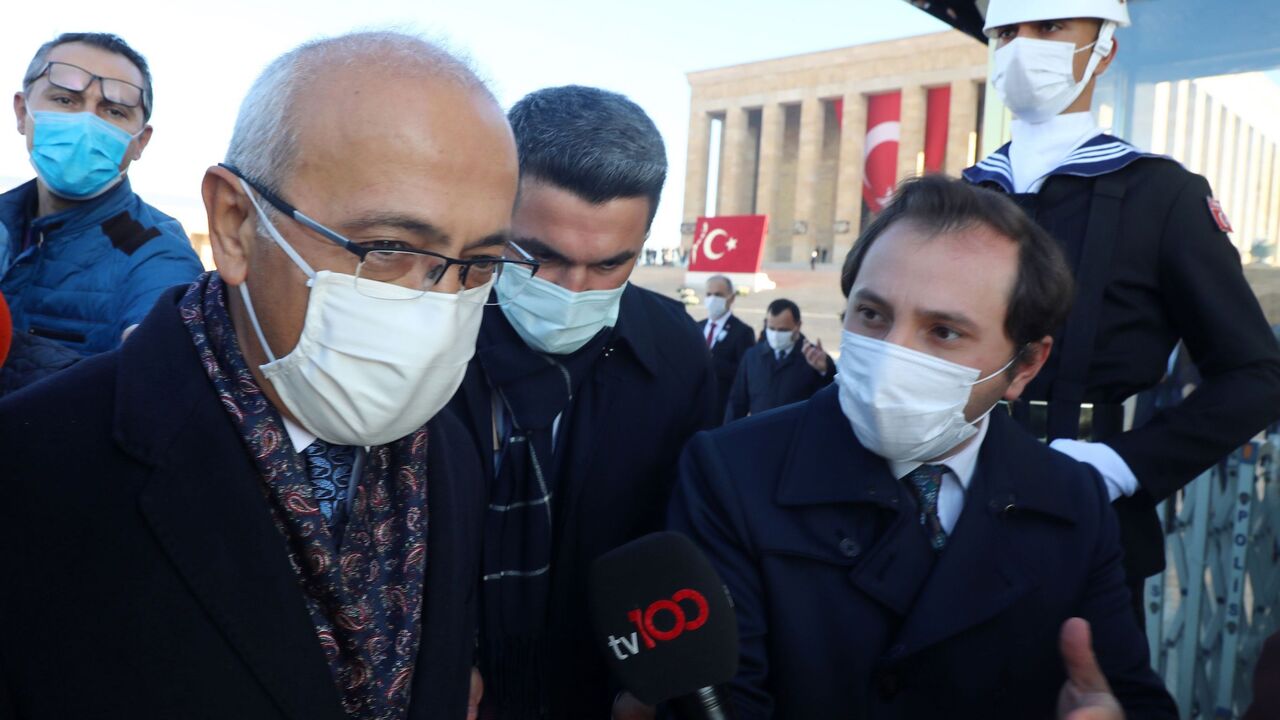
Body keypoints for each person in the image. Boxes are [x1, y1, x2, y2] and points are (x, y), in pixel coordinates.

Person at [0, 31, 523, 720]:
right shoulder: (33, 470)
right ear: (236, 224)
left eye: (480, 264)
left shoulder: (453, 445)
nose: (437, 306)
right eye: (391, 249)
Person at [669, 176, 1177, 719]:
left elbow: (1127, 692)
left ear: (1025, 366)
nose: (891, 355)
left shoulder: (1072, 499)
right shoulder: (731, 470)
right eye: (872, 315)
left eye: (943, 332)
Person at [966, 0, 1280, 618]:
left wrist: (1120, 464)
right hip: (947, 509)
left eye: (1050, 26)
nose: (1022, 46)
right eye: (1006, 31)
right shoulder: (959, 195)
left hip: (1085, 511)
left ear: (1104, 49)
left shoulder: (1161, 194)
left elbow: (1256, 374)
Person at [443, 85, 718, 720]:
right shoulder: (427, 325)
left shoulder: (677, 355)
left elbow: (683, 536)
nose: (572, 290)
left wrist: (648, 684)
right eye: (541, 256)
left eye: (608, 266)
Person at [1, 33, 202, 369]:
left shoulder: (153, 250)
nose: (88, 123)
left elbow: (162, 361)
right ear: (22, 112)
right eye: (66, 100)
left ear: (141, 142)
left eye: (114, 111)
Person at [724, 298, 833, 423]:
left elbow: (827, 402)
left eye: (783, 330)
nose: (775, 335)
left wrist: (825, 371)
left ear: (797, 326)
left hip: (796, 436)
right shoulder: (752, 356)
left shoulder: (814, 358)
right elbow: (737, 403)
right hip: (760, 434)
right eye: (771, 328)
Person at [698, 274, 755, 423]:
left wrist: (711, 360)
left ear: (731, 298)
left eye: (718, 295)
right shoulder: (696, 327)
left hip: (723, 411)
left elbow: (745, 373)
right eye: (709, 294)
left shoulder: (743, 332)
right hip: (696, 408)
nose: (712, 299)